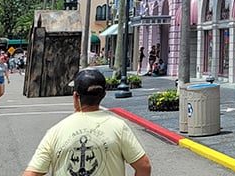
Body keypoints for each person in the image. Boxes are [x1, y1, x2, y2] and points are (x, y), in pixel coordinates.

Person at [22, 68, 151, 176]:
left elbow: (32, 173)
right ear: (103, 95)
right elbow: (144, 166)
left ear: (75, 96)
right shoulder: (119, 127)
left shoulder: (56, 132)